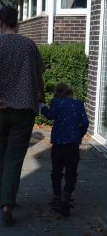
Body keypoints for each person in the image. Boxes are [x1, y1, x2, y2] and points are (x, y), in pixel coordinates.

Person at [0, 6, 45, 225]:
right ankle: (8, 201)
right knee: (15, 157)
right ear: (17, 22)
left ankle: (4, 199)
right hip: (24, 110)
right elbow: (38, 76)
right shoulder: (29, 45)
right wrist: (41, 98)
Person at [39, 83, 89, 216]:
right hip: (72, 145)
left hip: (58, 145)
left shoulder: (56, 102)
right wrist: (79, 135)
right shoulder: (78, 104)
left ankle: (57, 196)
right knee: (71, 172)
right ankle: (66, 194)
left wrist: (41, 106)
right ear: (71, 93)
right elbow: (85, 123)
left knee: (56, 171)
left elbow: (49, 115)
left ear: (57, 93)